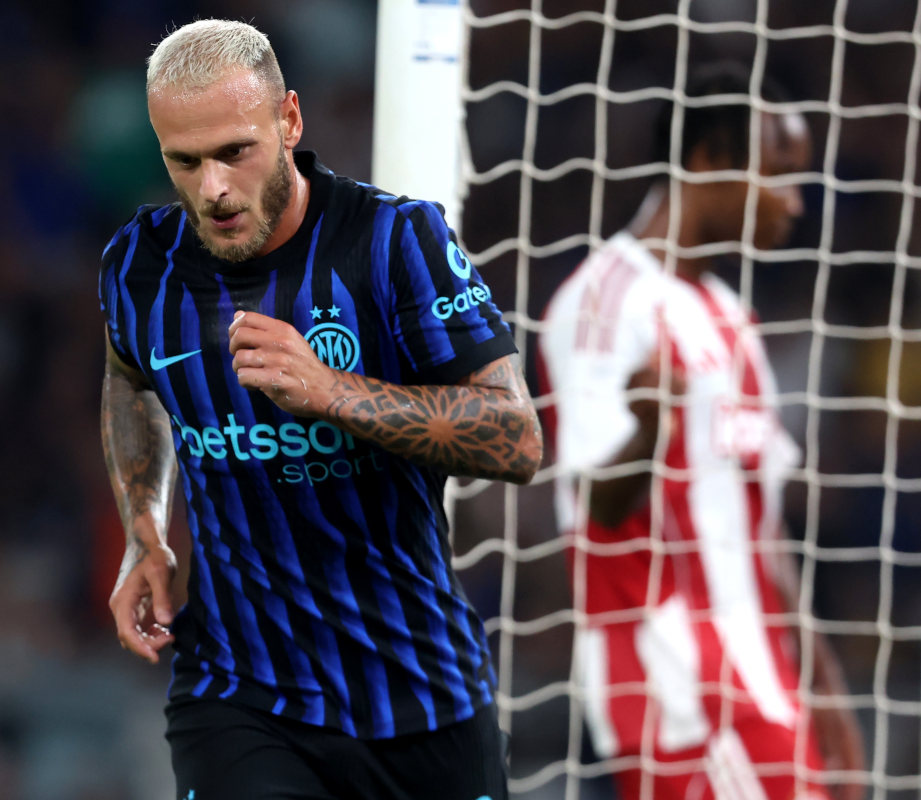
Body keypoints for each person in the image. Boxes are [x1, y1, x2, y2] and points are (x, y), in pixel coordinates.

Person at [98, 19, 542, 800]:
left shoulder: (397, 242)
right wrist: (146, 530)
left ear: (290, 120)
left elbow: (515, 438)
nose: (213, 188)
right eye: (185, 161)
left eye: (235, 151)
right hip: (241, 694)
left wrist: (333, 392)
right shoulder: (139, 264)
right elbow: (130, 380)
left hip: (420, 693)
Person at [538, 63, 865, 800]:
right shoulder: (602, 302)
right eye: (778, 174)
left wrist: (826, 697)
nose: (794, 202)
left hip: (765, 686)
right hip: (678, 689)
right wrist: (650, 428)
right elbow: (597, 504)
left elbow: (764, 533)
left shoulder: (731, 319)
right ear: (708, 159)